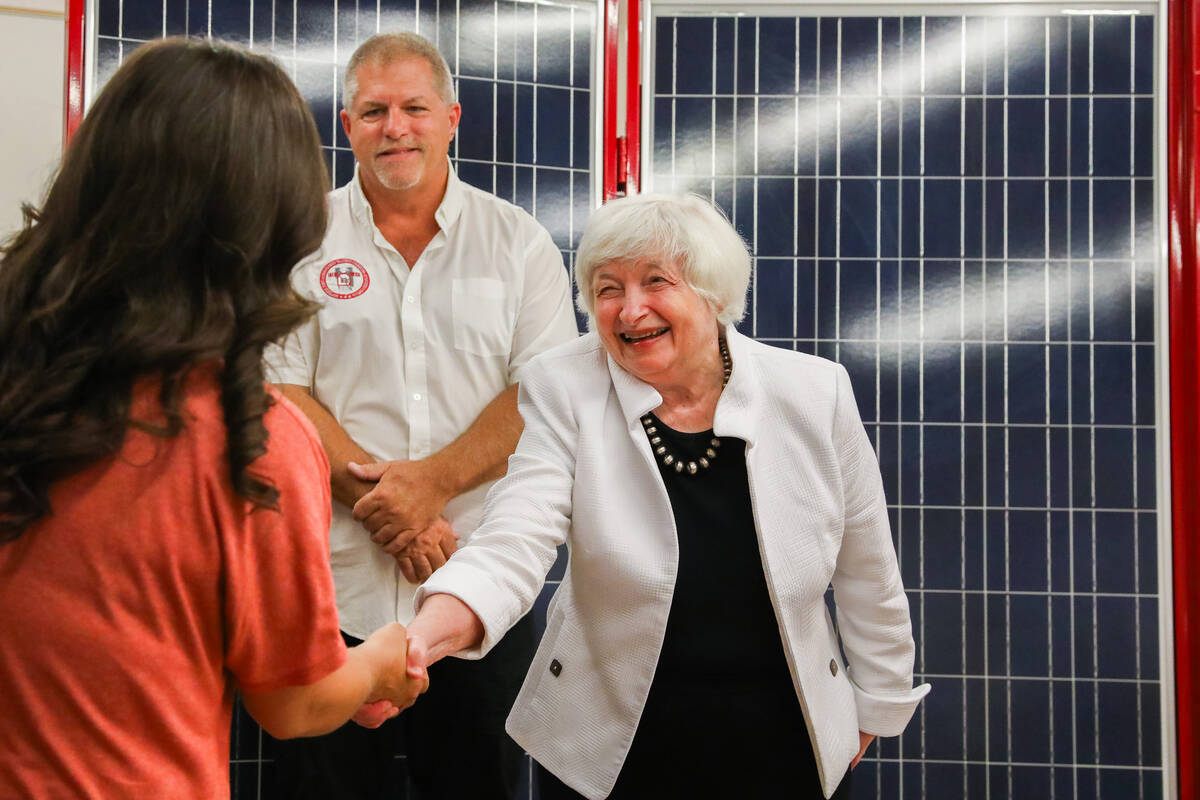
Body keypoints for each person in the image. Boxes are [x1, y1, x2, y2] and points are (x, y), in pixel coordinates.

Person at [397, 193, 932, 799]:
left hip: (783, 736)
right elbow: (512, 539)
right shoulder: (563, 385)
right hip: (609, 746)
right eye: (606, 289)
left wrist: (877, 704)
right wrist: (421, 641)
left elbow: (867, 567)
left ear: (713, 293)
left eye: (656, 282)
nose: (630, 311)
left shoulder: (814, 392)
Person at [0, 38, 425, 800]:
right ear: (276, 222)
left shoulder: (21, 374)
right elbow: (294, 701)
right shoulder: (246, 439)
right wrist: (378, 662)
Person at [264, 31, 578, 799]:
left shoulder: (518, 244)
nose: (394, 127)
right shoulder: (298, 237)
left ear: (451, 118)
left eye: (414, 107)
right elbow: (281, 393)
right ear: (346, 126)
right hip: (329, 592)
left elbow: (541, 392)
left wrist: (430, 487)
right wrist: (393, 512)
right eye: (374, 111)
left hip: (477, 589)